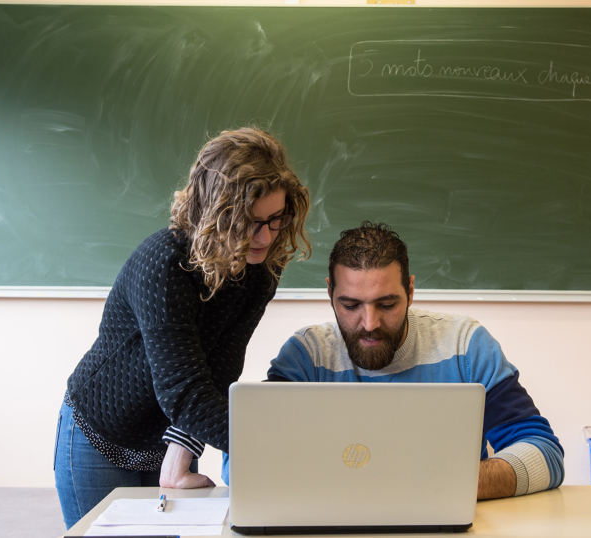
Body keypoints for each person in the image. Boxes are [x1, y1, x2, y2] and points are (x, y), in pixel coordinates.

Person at [54, 127, 311, 528]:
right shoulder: (164, 263)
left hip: (159, 443)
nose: (264, 237)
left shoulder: (261, 272)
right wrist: (273, 449)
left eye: (275, 219)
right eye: (249, 223)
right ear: (215, 213)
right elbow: (184, 393)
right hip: (97, 438)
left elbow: (221, 367)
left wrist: (179, 457)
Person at [258, 221, 563, 500]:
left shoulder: (464, 345)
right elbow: (246, 460)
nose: (369, 323)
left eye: (387, 304)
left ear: (411, 291)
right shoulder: (306, 356)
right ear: (329, 293)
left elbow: (545, 454)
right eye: (350, 305)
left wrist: (446, 485)